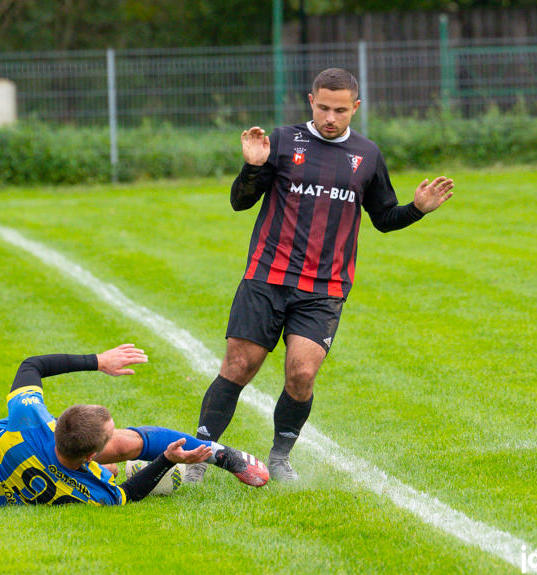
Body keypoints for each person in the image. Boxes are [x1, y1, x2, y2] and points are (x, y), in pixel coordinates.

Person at [185, 68, 454, 483]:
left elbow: (383, 218)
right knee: (239, 366)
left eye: (341, 110)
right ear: (311, 101)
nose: (331, 117)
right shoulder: (283, 140)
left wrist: (416, 209)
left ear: (356, 109)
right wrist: (252, 167)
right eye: (324, 107)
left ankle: (279, 457)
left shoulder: (367, 156)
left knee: (302, 373)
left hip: (324, 288)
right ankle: (199, 457)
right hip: (267, 276)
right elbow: (241, 202)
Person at [0, 344, 269, 507]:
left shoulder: (29, 419)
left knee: (112, 463)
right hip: (41, 467)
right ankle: (219, 453)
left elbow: (31, 365)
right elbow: (131, 492)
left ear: (56, 424)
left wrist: (98, 360)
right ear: (89, 458)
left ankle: (213, 455)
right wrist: (167, 459)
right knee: (124, 447)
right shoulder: (91, 491)